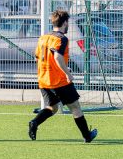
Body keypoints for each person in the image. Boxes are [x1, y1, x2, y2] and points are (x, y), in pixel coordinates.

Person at [27, 10, 98, 143]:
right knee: (75, 107)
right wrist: (67, 73)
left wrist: (58, 67)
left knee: (52, 108)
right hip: (59, 81)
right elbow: (57, 56)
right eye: (68, 23)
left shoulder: (43, 38)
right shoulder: (61, 39)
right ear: (65, 22)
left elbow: (38, 57)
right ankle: (87, 136)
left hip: (43, 80)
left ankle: (34, 122)